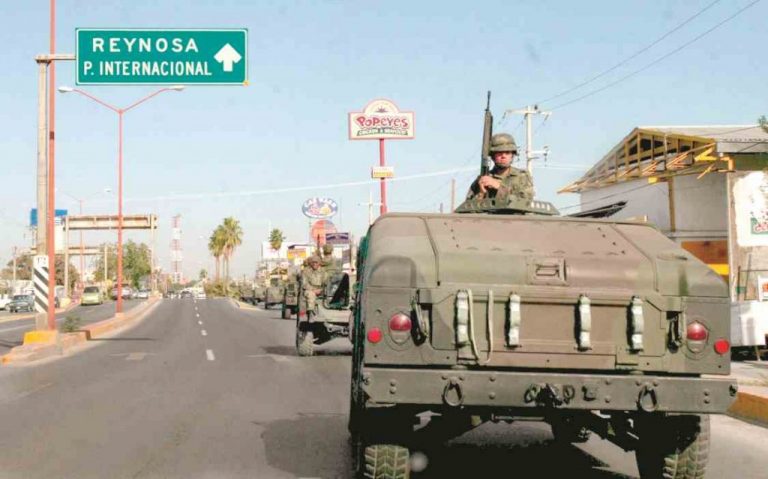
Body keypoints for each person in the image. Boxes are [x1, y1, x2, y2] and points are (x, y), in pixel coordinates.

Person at [466, 133, 533, 201]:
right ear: (493, 156)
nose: (503, 156)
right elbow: (468, 206)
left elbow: (526, 201)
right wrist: (481, 192)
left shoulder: (522, 176)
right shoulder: (483, 178)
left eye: (507, 153)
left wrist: (499, 187)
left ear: (512, 155)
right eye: (499, 153)